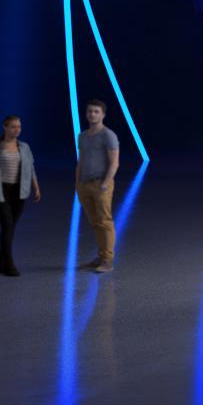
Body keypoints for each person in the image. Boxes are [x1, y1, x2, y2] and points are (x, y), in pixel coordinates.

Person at [0, 115, 40, 276]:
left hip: (18, 192)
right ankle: (8, 265)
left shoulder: (24, 147)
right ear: (5, 127)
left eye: (19, 126)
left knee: (10, 227)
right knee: (7, 224)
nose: (16, 130)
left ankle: (1, 258)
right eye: (13, 126)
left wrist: (36, 188)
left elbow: (31, 169)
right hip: (0, 191)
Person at [75, 99, 120, 274]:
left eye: (96, 111)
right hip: (85, 185)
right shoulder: (83, 136)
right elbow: (81, 161)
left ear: (103, 115)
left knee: (104, 222)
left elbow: (114, 162)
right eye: (90, 111)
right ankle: (101, 256)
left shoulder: (108, 135)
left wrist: (105, 184)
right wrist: (78, 184)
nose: (92, 114)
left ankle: (107, 260)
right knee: (95, 222)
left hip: (101, 184)